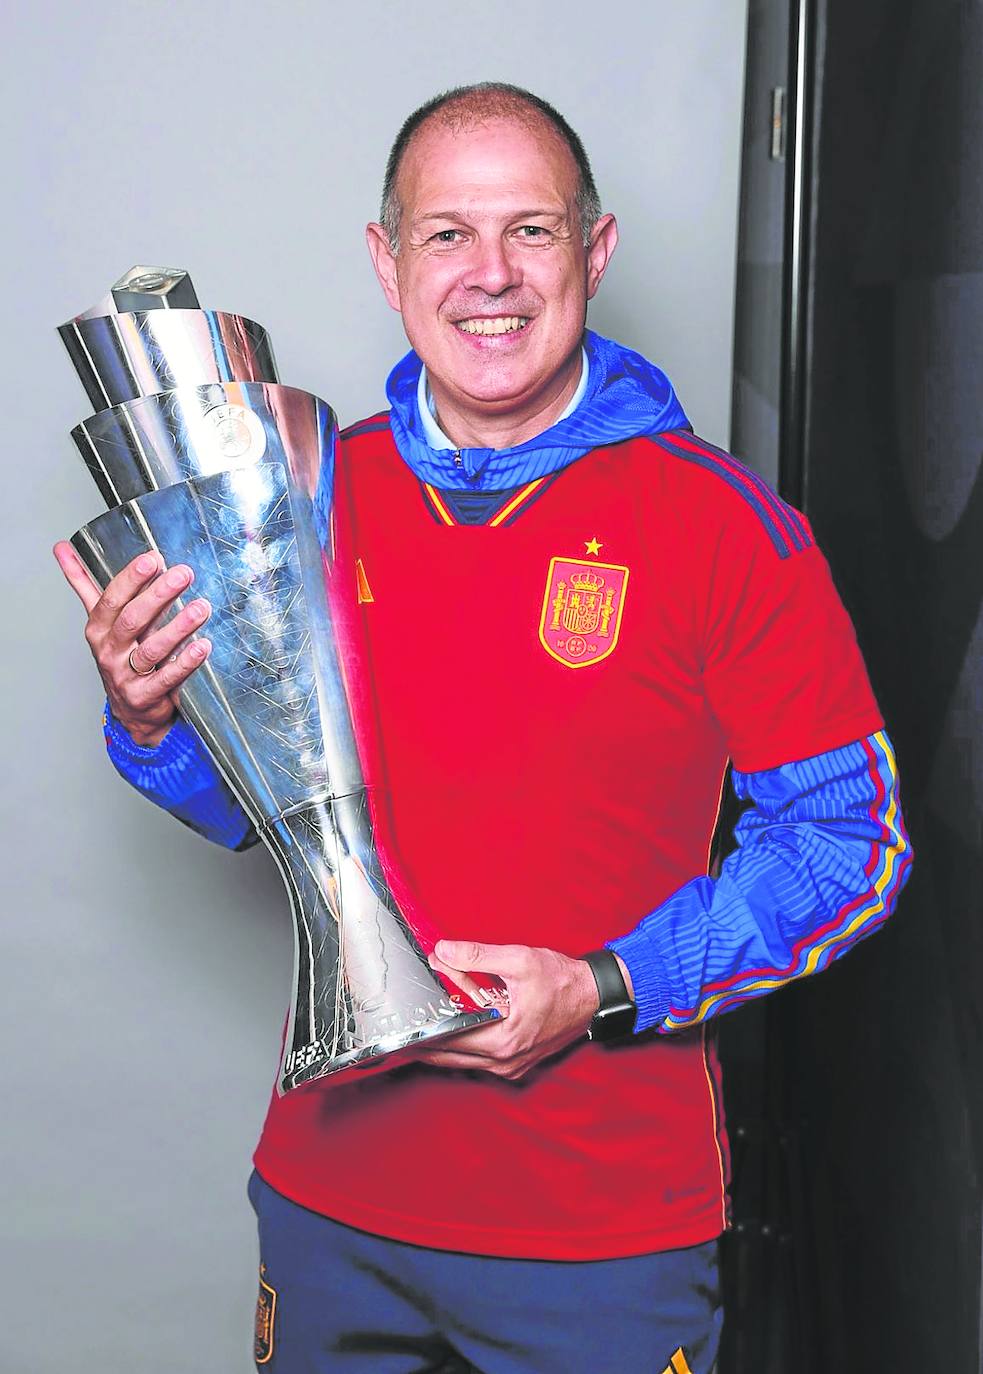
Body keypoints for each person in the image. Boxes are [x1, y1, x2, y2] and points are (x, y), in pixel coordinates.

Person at [54, 83, 912, 1373]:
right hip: (331, 1199)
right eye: (447, 234)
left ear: (596, 251)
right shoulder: (306, 497)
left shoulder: (725, 528)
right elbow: (249, 805)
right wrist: (154, 708)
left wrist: (609, 986)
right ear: (386, 259)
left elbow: (852, 848)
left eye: (534, 230)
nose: (491, 276)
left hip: (603, 1237)